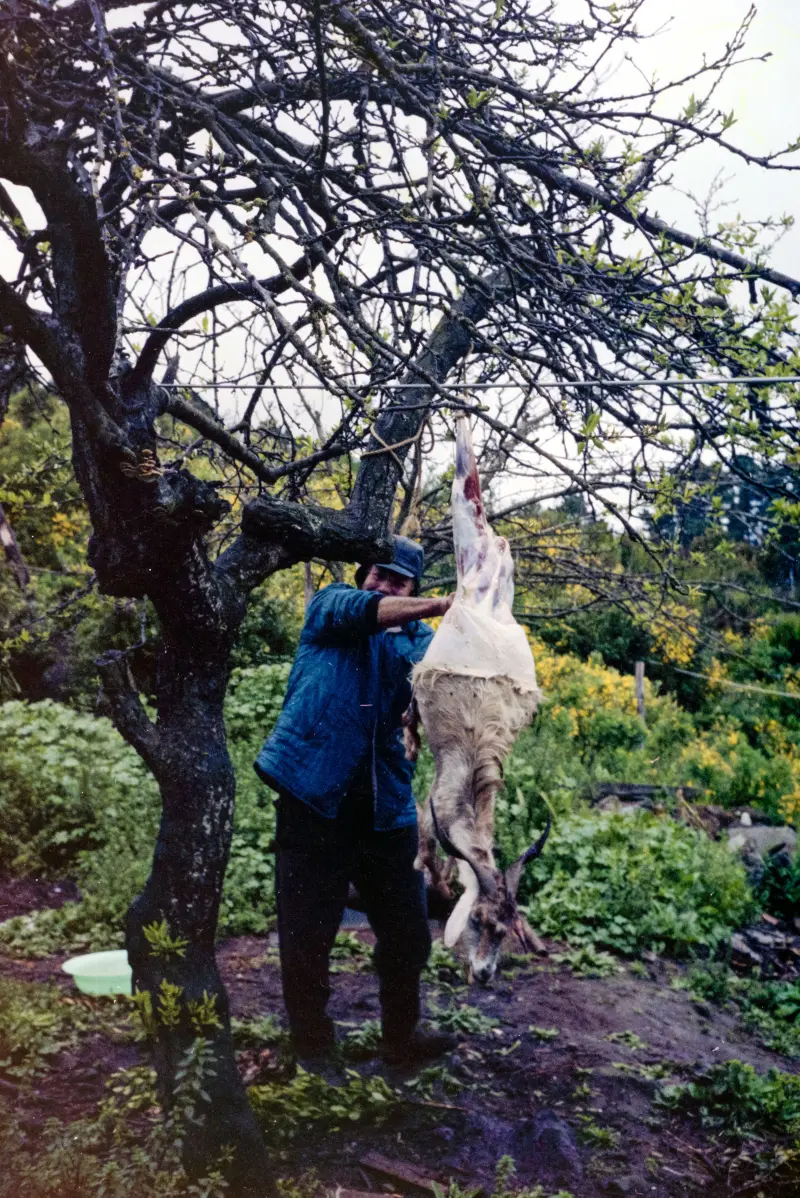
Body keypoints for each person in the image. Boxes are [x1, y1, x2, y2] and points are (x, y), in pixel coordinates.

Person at [254, 536, 457, 1067]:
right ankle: (314, 1052)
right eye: (379, 575)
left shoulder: (419, 643)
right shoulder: (331, 606)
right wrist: (441, 605)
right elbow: (362, 610)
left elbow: (441, 694)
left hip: (384, 809)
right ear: (363, 574)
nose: (386, 585)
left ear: (413, 586)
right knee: (306, 937)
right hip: (313, 799)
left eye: (400, 581)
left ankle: (401, 1040)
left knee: (409, 932)